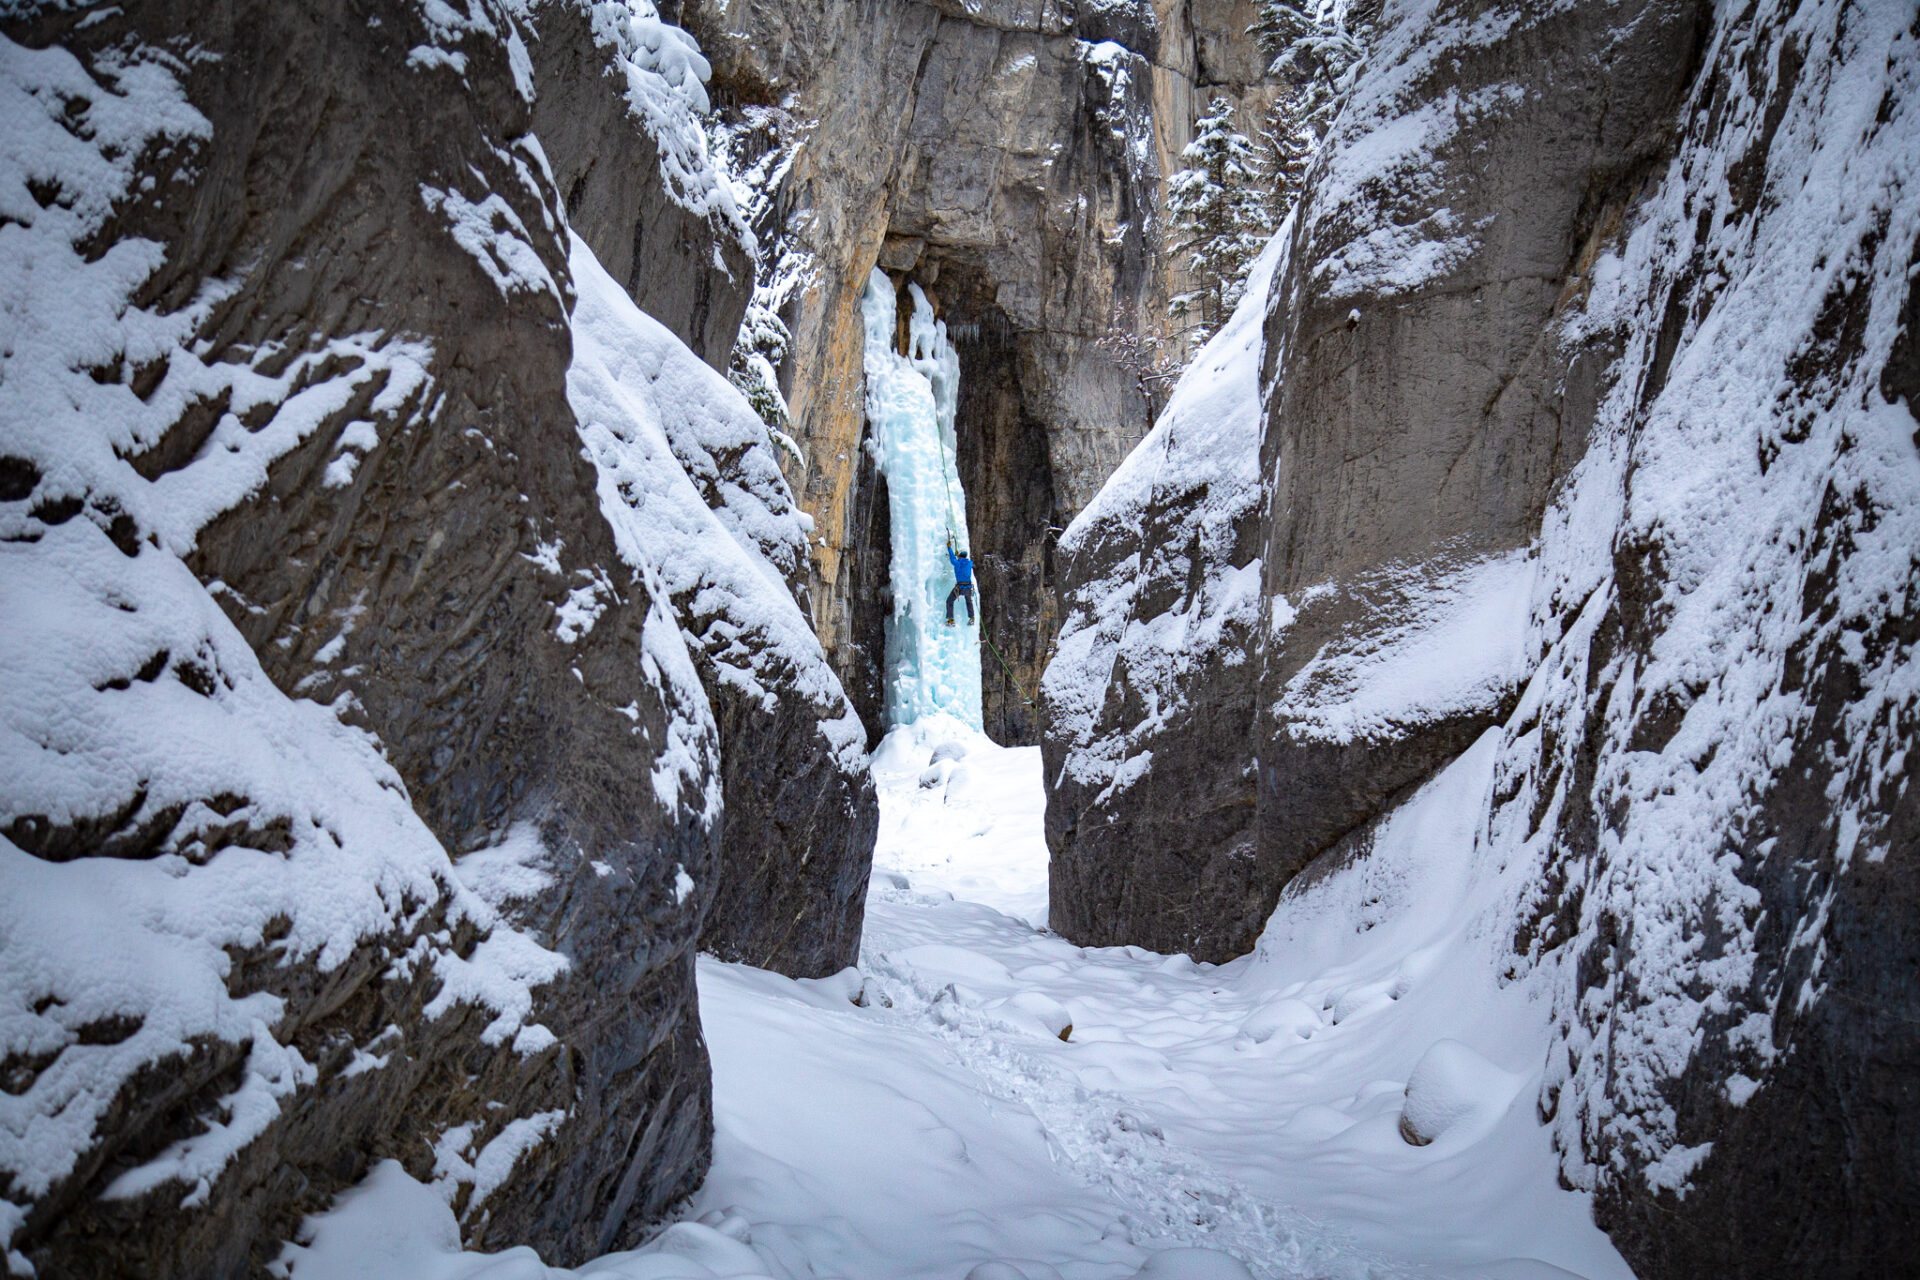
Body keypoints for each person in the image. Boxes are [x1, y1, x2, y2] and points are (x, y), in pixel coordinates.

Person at [945, 536, 975, 626]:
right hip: (968, 588)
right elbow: (967, 561)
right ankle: (972, 618)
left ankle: (951, 620)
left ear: (959, 556)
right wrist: (959, 556)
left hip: (960, 588)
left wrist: (949, 548)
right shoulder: (969, 564)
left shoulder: (957, 563)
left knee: (949, 601)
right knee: (969, 601)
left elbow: (952, 558)